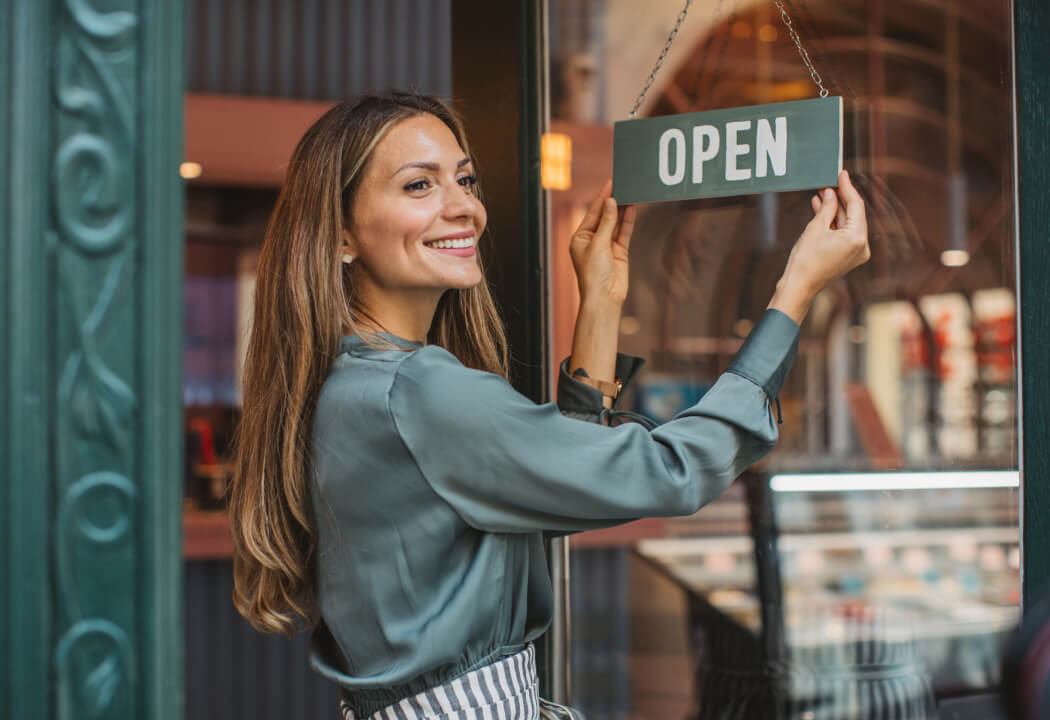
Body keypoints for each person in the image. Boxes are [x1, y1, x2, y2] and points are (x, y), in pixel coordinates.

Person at [228, 92, 870, 720]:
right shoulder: (420, 391)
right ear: (341, 235)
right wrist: (796, 291)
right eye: (419, 186)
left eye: (465, 180)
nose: (465, 208)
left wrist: (600, 304)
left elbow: (557, 481)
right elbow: (670, 471)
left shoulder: (350, 384)